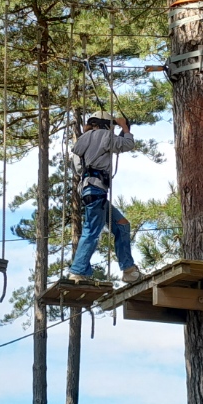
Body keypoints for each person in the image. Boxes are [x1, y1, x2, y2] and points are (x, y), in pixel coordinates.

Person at [66, 111, 141, 284]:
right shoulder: (105, 135)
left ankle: (129, 269)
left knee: (122, 225)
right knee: (91, 230)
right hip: (97, 190)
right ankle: (77, 271)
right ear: (106, 124)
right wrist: (124, 127)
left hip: (89, 190)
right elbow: (128, 144)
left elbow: (78, 168)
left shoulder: (82, 140)